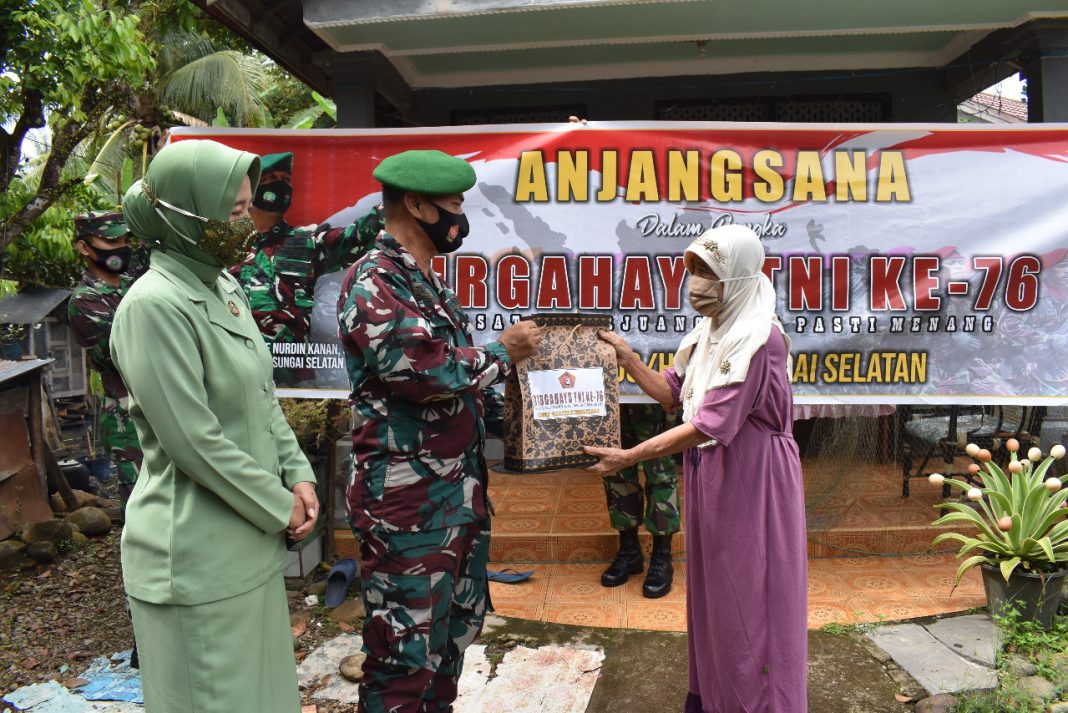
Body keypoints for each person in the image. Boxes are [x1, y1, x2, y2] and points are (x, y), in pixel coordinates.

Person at [110, 139, 319, 713]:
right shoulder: (154, 305)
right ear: (182, 215)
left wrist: (298, 474)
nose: (246, 223)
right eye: (232, 212)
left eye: (248, 208)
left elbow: (261, 396)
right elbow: (193, 442)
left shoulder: (223, 287)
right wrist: (279, 505)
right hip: (194, 559)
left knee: (266, 699)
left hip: (247, 547)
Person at [337, 149, 541, 713]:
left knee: (449, 645)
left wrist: (541, 427)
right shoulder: (373, 281)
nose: (460, 217)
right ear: (416, 203)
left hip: (455, 500)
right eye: (453, 205)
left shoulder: (426, 283)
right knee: (402, 658)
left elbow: (460, 392)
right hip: (405, 508)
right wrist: (506, 352)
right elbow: (421, 372)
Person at [586, 224, 807, 713]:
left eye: (709, 272)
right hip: (714, 473)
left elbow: (709, 423)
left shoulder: (757, 338)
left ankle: (761, 702)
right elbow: (673, 394)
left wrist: (629, 457)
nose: (696, 283)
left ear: (741, 275)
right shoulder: (711, 333)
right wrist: (627, 359)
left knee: (753, 601)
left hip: (754, 479)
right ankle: (717, 698)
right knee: (717, 601)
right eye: (691, 271)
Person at [230, 151, 383, 387]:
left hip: (292, 381)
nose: (281, 186)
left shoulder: (306, 242)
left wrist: (391, 206)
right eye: (272, 180)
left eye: (286, 180)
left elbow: (357, 237)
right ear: (250, 191)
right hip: (232, 372)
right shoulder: (223, 244)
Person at [67, 212, 144, 505]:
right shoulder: (84, 301)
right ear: (85, 248)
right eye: (111, 240)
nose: (121, 247)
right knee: (142, 500)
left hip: (163, 404)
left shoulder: (136, 282)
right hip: (128, 414)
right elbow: (128, 351)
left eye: (125, 239)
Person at [600, 403, 681, 597]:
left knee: (660, 472)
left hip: (653, 395)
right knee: (616, 471)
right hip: (613, 395)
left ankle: (662, 556)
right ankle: (630, 551)